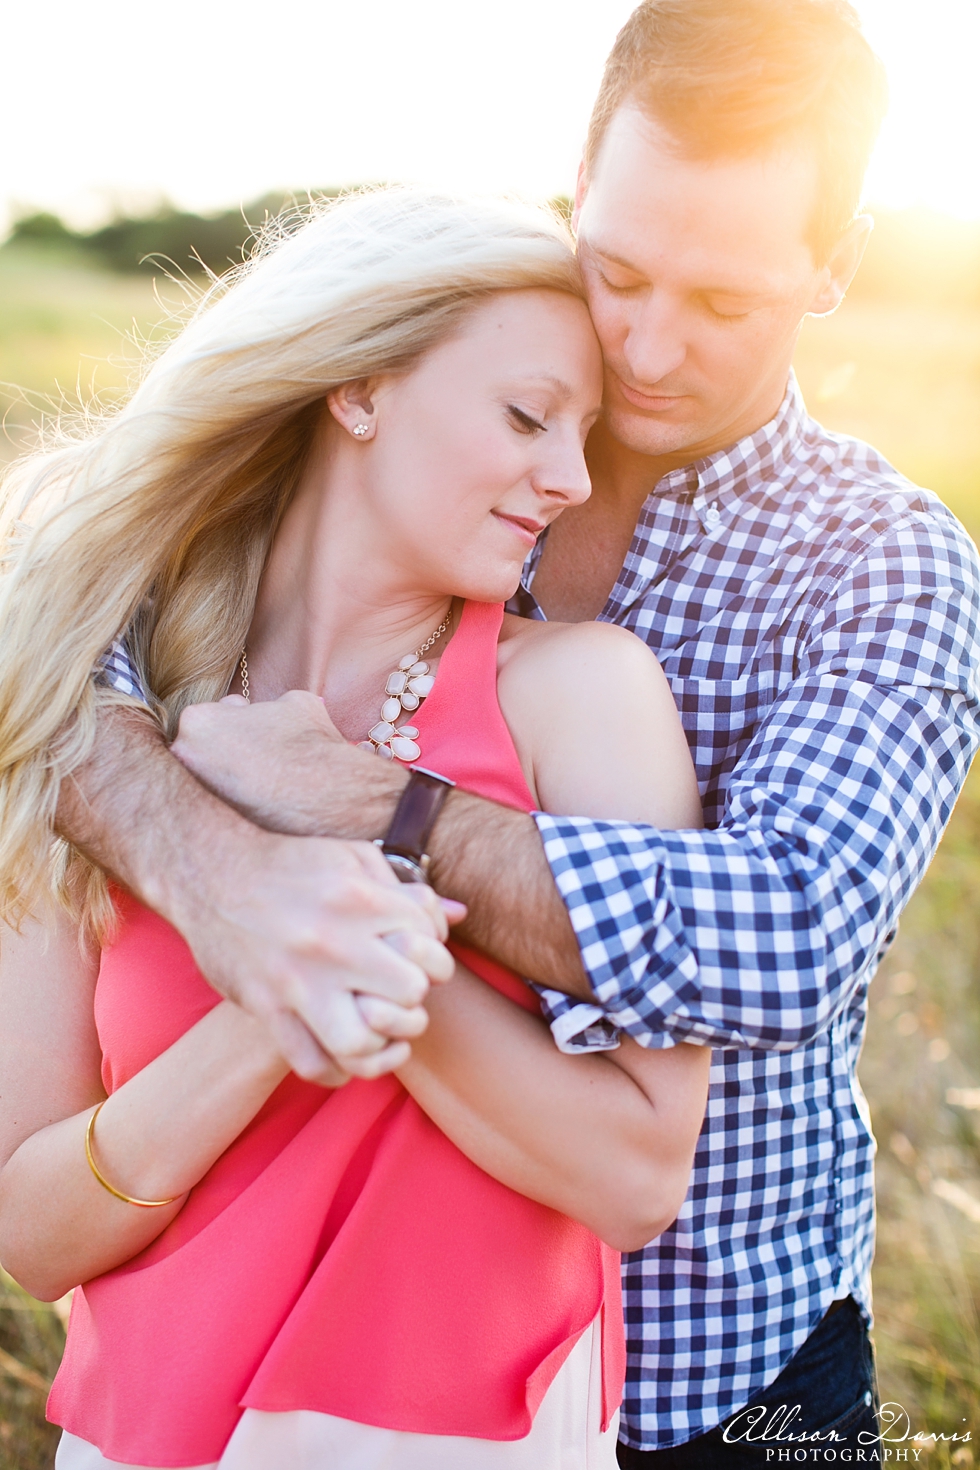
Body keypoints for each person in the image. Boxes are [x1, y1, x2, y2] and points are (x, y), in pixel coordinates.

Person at [11, 0, 980, 1463]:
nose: (648, 345)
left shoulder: (877, 562)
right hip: (292, 1364)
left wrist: (376, 814)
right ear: (578, 189)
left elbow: (789, 932)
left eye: (723, 302)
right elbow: (63, 654)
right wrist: (220, 866)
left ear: (832, 264)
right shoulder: (437, 455)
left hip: (729, 1369)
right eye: (620, 269)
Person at [0, 189, 711, 1468]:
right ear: (360, 387)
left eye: (585, 435)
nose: (570, 478)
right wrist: (268, 983)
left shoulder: (579, 696)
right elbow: (33, 1235)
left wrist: (377, 959)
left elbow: (635, 1179)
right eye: (527, 416)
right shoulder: (106, 731)